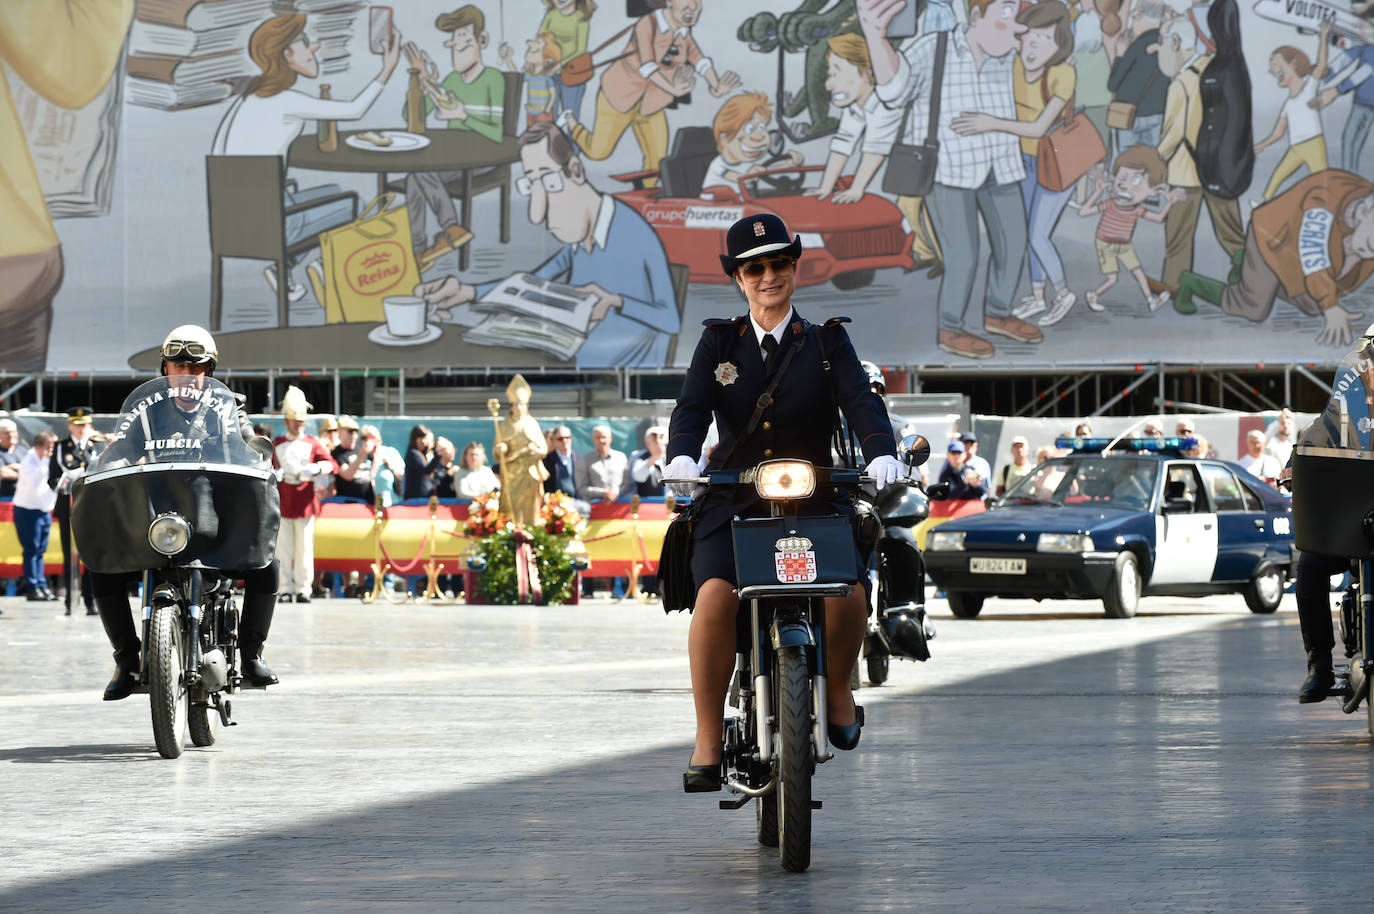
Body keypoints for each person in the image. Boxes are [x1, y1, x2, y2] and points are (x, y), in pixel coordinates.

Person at [663, 213, 902, 792]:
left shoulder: (826, 340)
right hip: (734, 495)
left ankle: (839, 688)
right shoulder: (719, 341)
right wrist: (682, 457)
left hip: (816, 491)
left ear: (794, 267)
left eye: (778, 264)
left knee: (848, 590)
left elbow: (860, 403)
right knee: (715, 596)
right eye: (754, 268)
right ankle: (707, 736)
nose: (768, 276)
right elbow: (692, 408)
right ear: (738, 279)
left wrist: (881, 452)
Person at [91, 325, 281, 700]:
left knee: (268, 562)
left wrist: (258, 453)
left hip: (214, 518)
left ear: (208, 372)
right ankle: (126, 659)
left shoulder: (229, 407)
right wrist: (101, 466)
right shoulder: (145, 411)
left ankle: (251, 654)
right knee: (101, 564)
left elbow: (247, 441)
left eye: (195, 369)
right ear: (165, 370)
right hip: (157, 520)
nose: (187, 375)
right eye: (179, 366)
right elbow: (123, 449)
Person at [858, 0, 1041, 361]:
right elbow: (894, 93)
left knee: (1015, 242)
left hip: (1001, 163)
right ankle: (951, 327)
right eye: (1007, 21)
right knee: (962, 255)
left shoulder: (1014, 56)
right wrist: (876, 39)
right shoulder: (934, 46)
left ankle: (998, 313)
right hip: (948, 170)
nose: (1018, 33)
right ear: (977, 16)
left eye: (1022, 24)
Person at [418, 122, 680, 368]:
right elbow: (528, 282)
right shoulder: (578, 238)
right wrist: (466, 291)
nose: (540, 211)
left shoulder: (634, 232)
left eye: (549, 180)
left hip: (621, 364)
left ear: (575, 171)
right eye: (531, 182)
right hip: (573, 352)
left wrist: (617, 301)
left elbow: (670, 319)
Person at [211, 13, 403, 301]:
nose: (313, 49)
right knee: (355, 204)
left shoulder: (249, 98)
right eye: (305, 43)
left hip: (234, 222)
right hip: (275, 224)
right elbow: (354, 110)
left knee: (334, 192)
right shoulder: (285, 100)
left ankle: (283, 269)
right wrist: (388, 68)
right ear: (286, 54)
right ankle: (333, 276)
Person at [952, 0, 1080, 326]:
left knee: (1037, 235)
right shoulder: (1010, 63)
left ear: (1060, 45)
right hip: (1021, 161)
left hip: (1057, 163)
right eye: (1031, 35)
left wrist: (989, 123)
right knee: (1025, 234)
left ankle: (1063, 292)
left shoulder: (1063, 73)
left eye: (1047, 38)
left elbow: (1038, 129)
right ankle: (1037, 295)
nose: (1035, 44)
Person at [560, 0, 741, 178]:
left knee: (659, 163)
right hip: (619, 98)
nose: (693, 6)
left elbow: (699, 59)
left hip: (652, 106)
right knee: (598, 153)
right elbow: (647, 66)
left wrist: (715, 84)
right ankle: (571, 122)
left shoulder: (683, 33)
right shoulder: (648, 23)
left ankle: (649, 197)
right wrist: (674, 89)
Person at [400, 6, 499, 267]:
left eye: (465, 44)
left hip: (484, 158)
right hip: (453, 162)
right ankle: (421, 249)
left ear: (482, 41)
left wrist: (463, 115)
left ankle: (449, 228)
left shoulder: (494, 80)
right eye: (454, 46)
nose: (458, 52)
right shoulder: (452, 81)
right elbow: (411, 120)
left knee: (417, 172)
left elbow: (499, 134)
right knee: (414, 175)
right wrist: (422, 84)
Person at [1077, 145, 1184, 312]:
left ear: (1152, 192)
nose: (1124, 185)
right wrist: (1097, 192)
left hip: (1124, 245)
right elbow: (1083, 212)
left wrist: (1170, 203)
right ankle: (1093, 295)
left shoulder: (1136, 209)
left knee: (1138, 272)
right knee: (1112, 279)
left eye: (1135, 181)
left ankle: (1151, 300)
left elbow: (1158, 218)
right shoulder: (1111, 202)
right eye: (1122, 178)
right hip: (1105, 243)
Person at [1253, 24, 1333, 201]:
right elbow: (1278, 133)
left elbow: (1321, 63)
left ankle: (1331, 210)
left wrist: (1324, 37)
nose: (1271, 68)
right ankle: (1264, 206)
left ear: (1294, 64)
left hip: (1313, 145)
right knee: (1276, 178)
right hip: (1295, 148)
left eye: (1275, 62)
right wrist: (1260, 146)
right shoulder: (1288, 104)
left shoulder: (1309, 87)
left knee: (1324, 183)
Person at [273, 386, 337, 603]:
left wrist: (317, 469)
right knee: (282, 548)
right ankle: (284, 588)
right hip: (283, 502)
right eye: (294, 421)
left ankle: (303, 589)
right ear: (286, 422)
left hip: (306, 502)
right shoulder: (277, 444)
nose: (297, 425)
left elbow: (332, 464)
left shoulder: (313, 443)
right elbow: (266, 467)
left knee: (304, 548)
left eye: (300, 421)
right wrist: (275, 474)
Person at [49, 406, 103, 615]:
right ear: (70, 425)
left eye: (84, 425)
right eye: (77, 425)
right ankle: (70, 602)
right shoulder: (61, 446)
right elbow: (52, 477)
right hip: (68, 506)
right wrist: (61, 484)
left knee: (90, 555)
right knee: (67, 554)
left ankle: (90, 601)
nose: (81, 429)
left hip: (91, 508)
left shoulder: (97, 446)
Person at [493, 375, 549, 529]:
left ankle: (530, 527)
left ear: (527, 406)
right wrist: (501, 449)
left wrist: (535, 452)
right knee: (511, 501)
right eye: (516, 404)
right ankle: (511, 528)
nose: (518, 407)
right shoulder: (505, 424)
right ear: (511, 406)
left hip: (529, 470)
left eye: (522, 404)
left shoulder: (532, 423)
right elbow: (498, 449)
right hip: (511, 470)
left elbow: (543, 448)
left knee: (530, 501)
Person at [13, 429, 57, 602]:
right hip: (27, 509)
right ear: (40, 446)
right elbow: (34, 482)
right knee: (31, 550)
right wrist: (47, 461)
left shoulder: (44, 460)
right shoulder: (29, 460)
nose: (51, 449)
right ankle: (32, 587)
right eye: (49, 446)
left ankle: (41, 584)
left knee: (40, 550)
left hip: (43, 508)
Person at [539, 0, 596, 120]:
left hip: (572, 75)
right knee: (548, 117)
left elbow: (580, 50)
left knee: (571, 118)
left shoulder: (581, 17)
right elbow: (540, 40)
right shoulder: (551, 15)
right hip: (549, 74)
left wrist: (559, 65)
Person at [576, 424, 628, 503]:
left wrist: (616, 494)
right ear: (593, 439)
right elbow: (582, 488)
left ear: (610, 438)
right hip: (596, 506)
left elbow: (629, 484)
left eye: (604, 437)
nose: (601, 440)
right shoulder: (585, 460)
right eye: (598, 437)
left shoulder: (621, 457)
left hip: (619, 505)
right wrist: (604, 493)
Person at [332, 416, 376, 502]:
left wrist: (372, 476)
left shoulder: (361, 445)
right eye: (351, 431)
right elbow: (347, 475)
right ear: (340, 432)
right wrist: (360, 456)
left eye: (356, 431)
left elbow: (376, 458)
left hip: (368, 498)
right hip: (349, 501)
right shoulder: (336, 453)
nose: (354, 436)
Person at [542, 424, 581, 498]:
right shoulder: (546, 461)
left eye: (567, 438)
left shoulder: (580, 460)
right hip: (554, 504)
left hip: (577, 503)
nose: (564, 441)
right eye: (560, 439)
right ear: (553, 441)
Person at [628, 425, 668, 497]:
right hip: (646, 504)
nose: (657, 441)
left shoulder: (671, 458)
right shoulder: (639, 457)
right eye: (654, 438)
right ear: (647, 442)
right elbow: (638, 476)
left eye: (661, 437)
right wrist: (654, 457)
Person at [403, 423, 437, 500]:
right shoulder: (413, 453)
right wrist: (438, 455)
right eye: (422, 440)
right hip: (416, 499)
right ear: (415, 439)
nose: (424, 443)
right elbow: (426, 471)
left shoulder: (423, 454)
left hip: (425, 497)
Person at [0, 417, 25, 497]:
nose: (11, 435)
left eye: (13, 432)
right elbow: (3, 473)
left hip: (25, 497)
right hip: (5, 497)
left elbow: (34, 468)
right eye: (7, 433)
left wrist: (12, 467)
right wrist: (24, 473)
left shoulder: (23, 451)